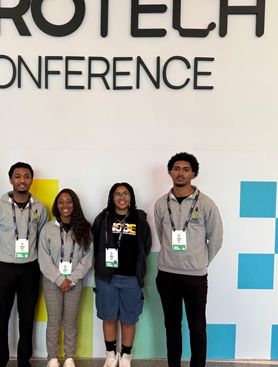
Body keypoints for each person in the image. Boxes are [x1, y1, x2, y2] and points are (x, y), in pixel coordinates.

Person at [154, 152, 223, 367]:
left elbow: (216, 238)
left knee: (197, 328)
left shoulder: (206, 204)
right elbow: (161, 234)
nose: (180, 173)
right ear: (170, 172)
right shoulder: (160, 204)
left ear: (193, 173)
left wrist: (199, 262)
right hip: (167, 275)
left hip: (195, 277)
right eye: (176, 168)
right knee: (172, 327)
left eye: (185, 169)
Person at [0, 162, 49, 367]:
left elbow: (41, 238)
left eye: (27, 176)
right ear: (11, 179)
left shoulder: (39, 208)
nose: (22, 180)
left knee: (27, 318)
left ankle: (24, 360)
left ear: (31, 179)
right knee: (1, 318)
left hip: (30, 269)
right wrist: (3, 259)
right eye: (18, 176)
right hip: (4, 268)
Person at [93, 183, 152, 367]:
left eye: (125, 193)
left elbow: (146, 246)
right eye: (117, 194)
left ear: (131, 197)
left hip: (132, 278)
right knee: (109, 317)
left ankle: (126, 356)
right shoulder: (103, 218)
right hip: (107, 278)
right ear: (111, 197)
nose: (122, 197)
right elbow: (95, 244)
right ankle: (111, 355)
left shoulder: (139, 219)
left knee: (128, 320)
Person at [38, 189, 93, 367]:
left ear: (74, 204)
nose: (65, 205)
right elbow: (44, 258)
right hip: (52, 281)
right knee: (53, 321)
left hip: (74, 283)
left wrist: (72, 278)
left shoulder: (85, 228)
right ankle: (52, 357)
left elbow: (87, 258)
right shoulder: (47, 229)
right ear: (57, 205)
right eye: (61, 202)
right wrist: (59, 279)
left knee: (70, 320)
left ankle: (69, 356)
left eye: (69, 201)